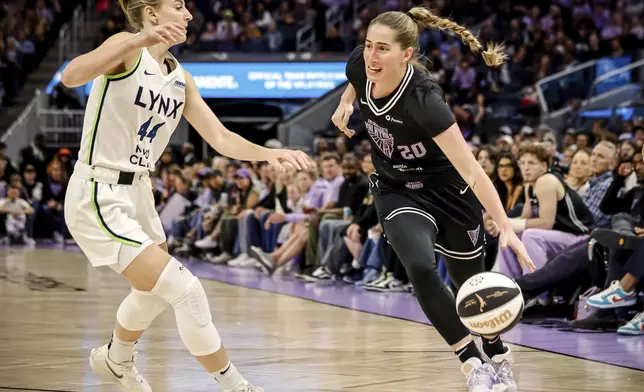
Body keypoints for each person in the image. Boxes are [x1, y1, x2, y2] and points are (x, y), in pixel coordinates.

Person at [60, 1, 312, 391]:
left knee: (152, 291)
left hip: (140, 190)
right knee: (185, 289)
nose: (189, 14)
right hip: (99, 188)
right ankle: (235, 386)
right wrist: (138, 39)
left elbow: (222, 138)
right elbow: (71, 76)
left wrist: (268, 152)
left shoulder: (181, 78)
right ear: (151, 13)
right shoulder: (127, 47)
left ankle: (115, 359)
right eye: (178, 6)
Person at [329, 7, 535, 392]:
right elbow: (356, 77)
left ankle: (496, 349)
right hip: (395, 190)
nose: (373, 56)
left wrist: (505, 225)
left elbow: (473, 171)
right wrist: (345, 101)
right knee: (421, 267)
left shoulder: (424, 100)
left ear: (406, 54)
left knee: (471, 287)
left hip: (449, 194)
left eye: (384, 49)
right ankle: (472, 363)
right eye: (370, 45)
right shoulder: (361, 63)